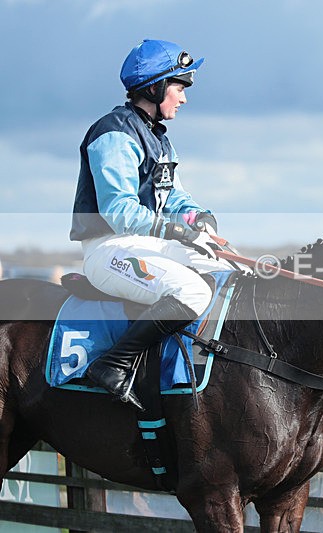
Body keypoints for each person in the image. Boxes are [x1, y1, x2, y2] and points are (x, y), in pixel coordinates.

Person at [70, 39, 234, 411]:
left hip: (147, 245)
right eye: (179, 87)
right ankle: (114, 363)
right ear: (155, 87)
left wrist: (197, 218)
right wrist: (176, 231)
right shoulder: (113, 133)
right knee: (192, 293)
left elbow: (172, 196)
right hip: (109, 249)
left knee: (228, 268)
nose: (183, 98)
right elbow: (119, 210)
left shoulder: (159, 139)